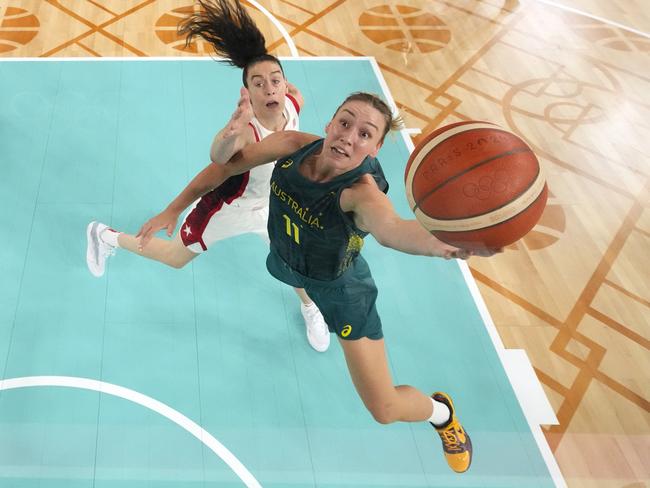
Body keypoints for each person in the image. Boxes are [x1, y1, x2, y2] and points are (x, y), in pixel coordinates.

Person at [134, 90, 502, 473]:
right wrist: (174, 207)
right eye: (344, 122)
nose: (348, 135)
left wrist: (445, 245)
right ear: (329, 124)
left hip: (342, 293)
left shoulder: (360, 194)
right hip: (288, 261)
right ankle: (307, 305)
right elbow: (224, 167)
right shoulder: (293, 146)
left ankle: (441, 414)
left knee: (384, 408)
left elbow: (393, 230)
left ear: (375, 148)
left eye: (364, 134)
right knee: (292, 272)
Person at [85, 0, 330, 352]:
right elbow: (216, 159)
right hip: (228, 207)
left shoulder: (292, 104)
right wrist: (230, 134)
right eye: (259, 84)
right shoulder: (246, 131)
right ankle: (105, 236)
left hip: (271, 204)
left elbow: (296, 98)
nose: (270, 88)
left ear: (286, 84)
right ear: (248, 92)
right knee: (174, 259)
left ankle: (310, 307)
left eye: (276, 80)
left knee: (293, 256)